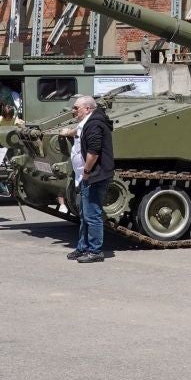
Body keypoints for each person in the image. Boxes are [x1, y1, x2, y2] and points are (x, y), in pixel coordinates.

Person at [68, 93, 114, 264]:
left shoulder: (94, 124)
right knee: (84, 214)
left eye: (76, 108)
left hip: (94, 175)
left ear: (87, 109)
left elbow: (93, 152)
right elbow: (78, 134)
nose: (73, 111)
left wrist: (86, 171)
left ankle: (95, 251)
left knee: (92, 214)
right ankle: (83, 247)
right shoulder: (87, 122)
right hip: (85, 175)